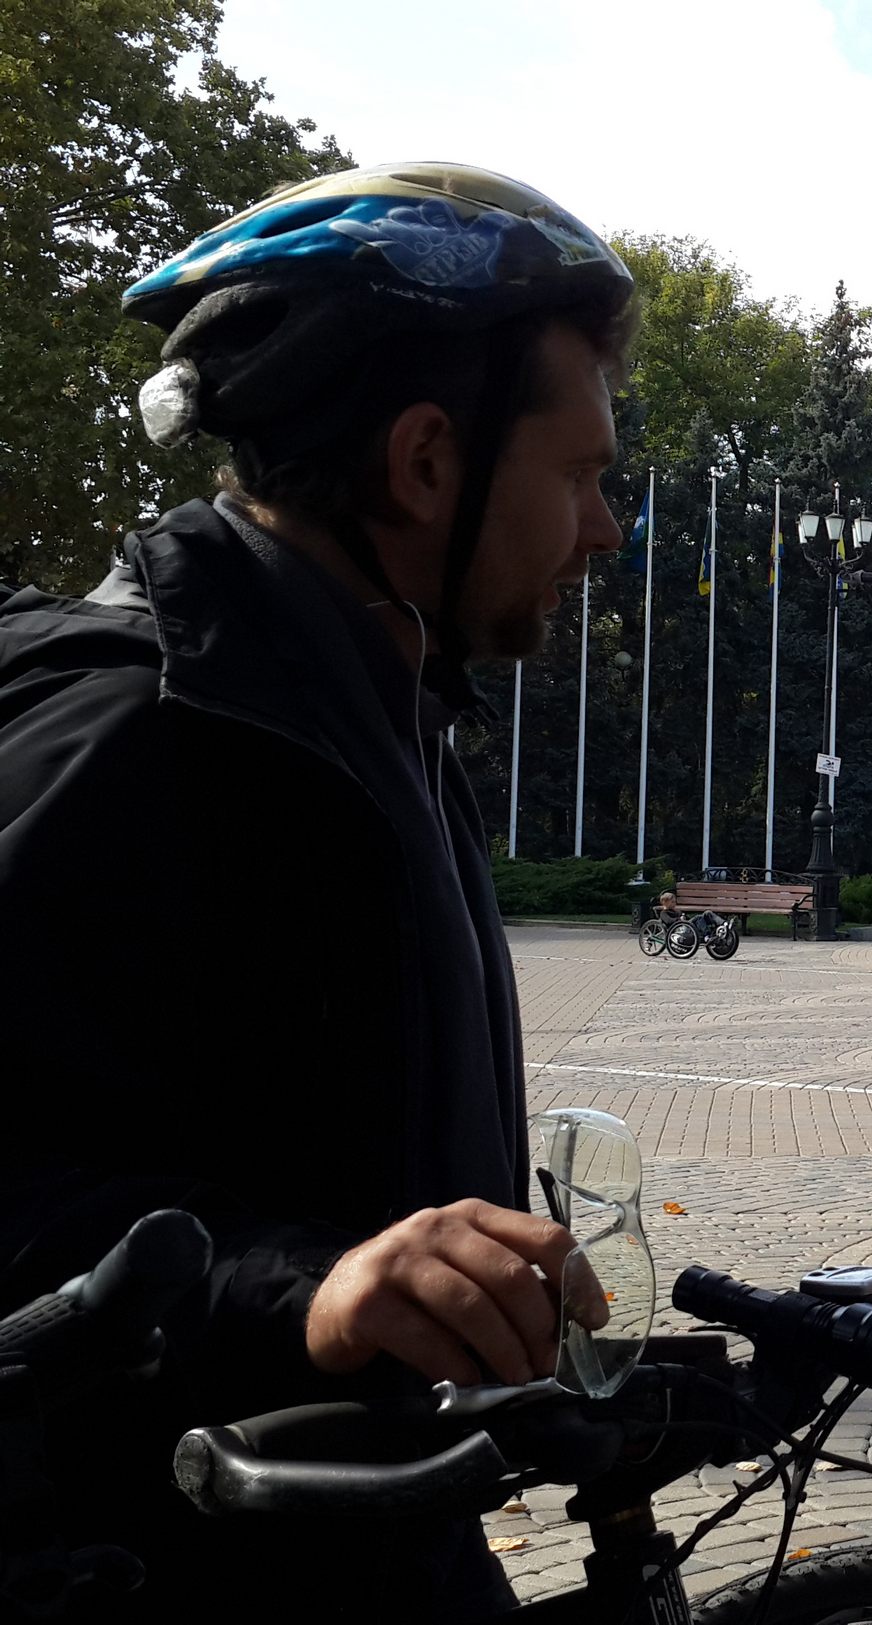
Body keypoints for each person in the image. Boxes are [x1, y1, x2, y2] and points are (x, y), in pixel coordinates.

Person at [0, 163, 634, 1619]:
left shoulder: (379, 714)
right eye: (581, 472)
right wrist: (317, 1286)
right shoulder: (141, 728)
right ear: (425, 462)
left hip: (374, 1541)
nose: (604, 527)